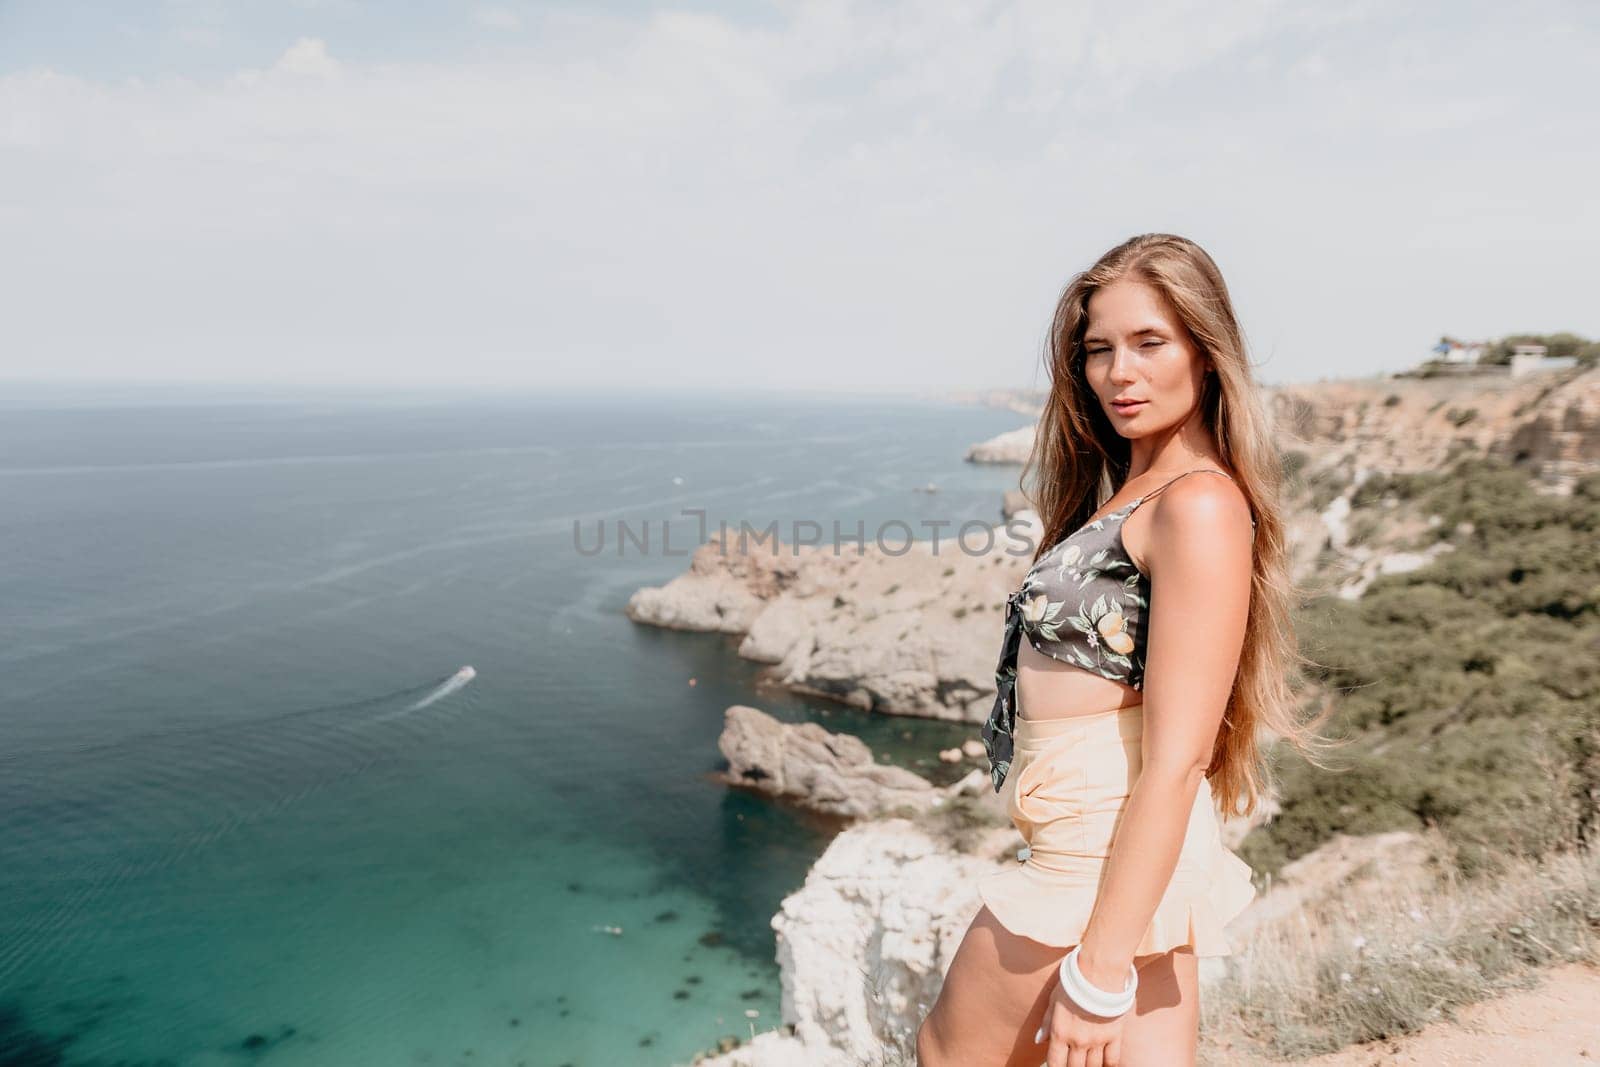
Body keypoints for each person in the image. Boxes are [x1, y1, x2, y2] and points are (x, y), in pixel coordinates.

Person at [916, 234, 1336, 1067]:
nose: (1119, 372)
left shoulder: (1200, 504)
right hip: (1105, 841)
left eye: (1150, 343)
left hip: (1094, 847)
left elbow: (1179, 758)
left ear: (1206, 354)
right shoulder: (1140, 489)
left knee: (945, 1052)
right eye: (1099, 350)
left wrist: (1101, 970)